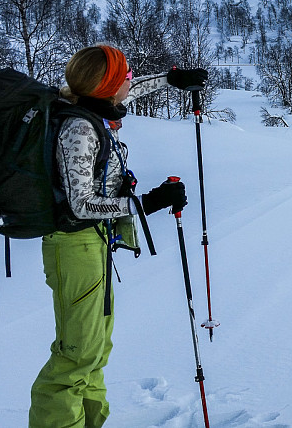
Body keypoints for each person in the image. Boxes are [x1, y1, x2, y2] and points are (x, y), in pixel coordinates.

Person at [28, 44, 208, 428]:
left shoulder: (92, 106)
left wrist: (170, 81)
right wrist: (144, 203)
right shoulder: (79, 128)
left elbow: (128, 89)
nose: (130, 81)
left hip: (94, 244)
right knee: (75, 357)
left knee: (95, 349)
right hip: (74, 246)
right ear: (107, 85)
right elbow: (80, 205)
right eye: (124, 76)